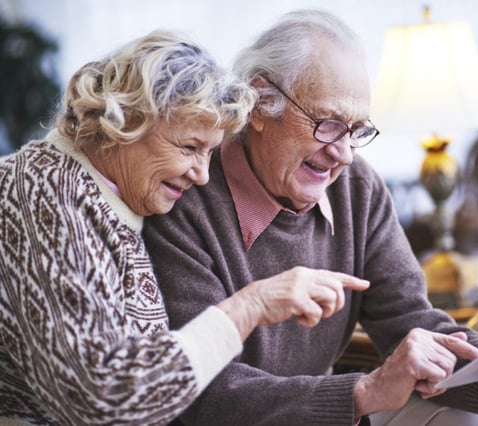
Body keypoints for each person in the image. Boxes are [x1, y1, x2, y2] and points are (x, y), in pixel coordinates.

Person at [143, 10, 478, 426]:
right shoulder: (185, 195)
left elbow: (410, 319)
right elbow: (201, 390)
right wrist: (363, 391)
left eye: (357, 131)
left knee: (477, 415)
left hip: (322, 413)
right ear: (261, 103)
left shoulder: (357, 187)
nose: (343, 153)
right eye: (328, 123)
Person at [0, 29, 369, 425]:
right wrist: (251, 305)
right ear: (125, 121)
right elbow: (100, 401)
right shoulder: (44, 190)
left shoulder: (113, 199)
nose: (201, 175)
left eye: (209, 152)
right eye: (190, 147)